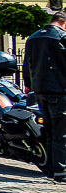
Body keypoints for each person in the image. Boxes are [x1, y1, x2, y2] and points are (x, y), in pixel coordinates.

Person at [24, 11, 66, 182]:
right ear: (63, 23)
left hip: (40, 90)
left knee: (49, 130)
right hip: (60, 90)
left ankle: (50, 168)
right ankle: (61, 170)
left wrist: (29, 84)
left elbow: (27, 64)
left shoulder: (33, 38)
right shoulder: (61, 38)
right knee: (61, 132)